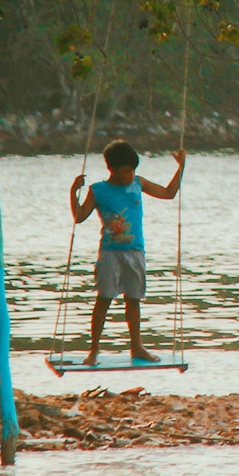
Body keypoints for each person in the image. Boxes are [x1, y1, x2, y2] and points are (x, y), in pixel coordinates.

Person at [68, 139, 185, 365]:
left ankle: (137, 347)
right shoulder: (98, 190)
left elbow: (169, 193)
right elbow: (79, 216)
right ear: (111, 169)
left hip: (135, 252)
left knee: (134, 300)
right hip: (110, 254)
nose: (130, 175)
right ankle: (93, 351)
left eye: (133, 170)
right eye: (126, 171)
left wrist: (181, 168)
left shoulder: (138, 184)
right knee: (103, 300)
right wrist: (73, 193)